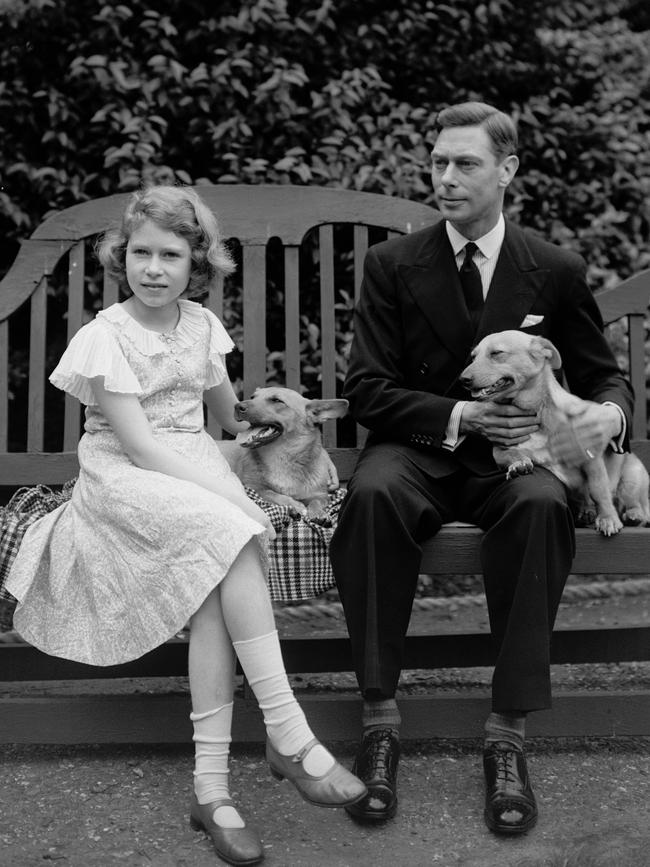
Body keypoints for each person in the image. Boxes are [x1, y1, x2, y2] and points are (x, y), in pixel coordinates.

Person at [6, 184, 365, 866]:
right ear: (122, 257)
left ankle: (212, 790)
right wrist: (234, 499)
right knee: (230, 532)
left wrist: (290, 432)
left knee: (215, 593)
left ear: (196, 263)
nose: (153, 267)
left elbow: (230, 418)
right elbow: (141, 447)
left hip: (196, 468)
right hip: (126, 477)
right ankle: (290, 736)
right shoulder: (105, 337)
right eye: (140, 251)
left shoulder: (201, 325)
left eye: (170, 254)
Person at [330, 102, 634, 834]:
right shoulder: (391, 265)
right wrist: (459, 415)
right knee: (369, 495)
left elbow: (603, 376)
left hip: (522, 455)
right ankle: (379, 724)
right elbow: (366, 388)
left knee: (539, 505)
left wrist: (610, 416)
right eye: (438, 162)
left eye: (465, 163)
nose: (446, 176)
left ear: (508, 170)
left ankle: (507, 735)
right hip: (419, 448)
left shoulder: (553, 269)